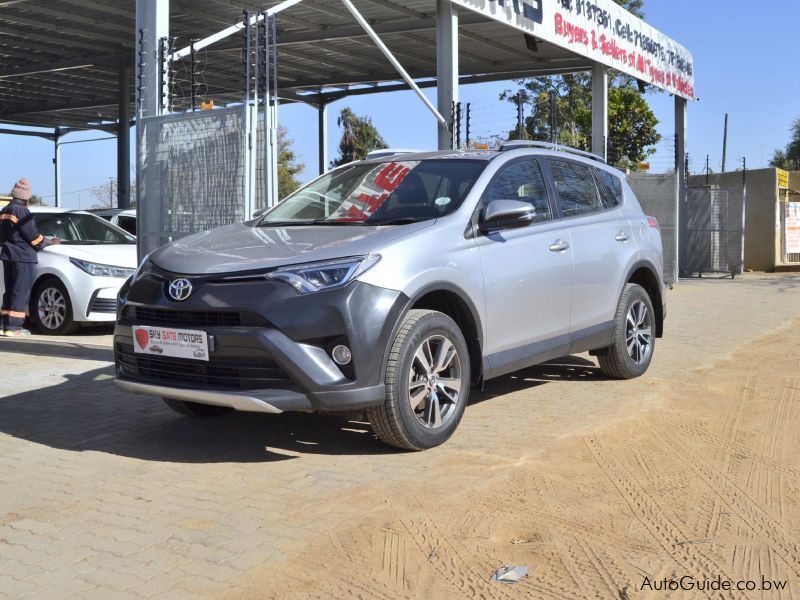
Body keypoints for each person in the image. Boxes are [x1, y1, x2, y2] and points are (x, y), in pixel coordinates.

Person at [0, 179, 60, 337]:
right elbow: (34, 237)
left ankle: (4, 325)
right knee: (20, 292)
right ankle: (14, 328)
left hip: (8, 255)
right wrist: (50, 242)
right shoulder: (22, 212)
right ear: (26, 197)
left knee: (11, 291)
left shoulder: (5, 210)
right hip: (23, 257)